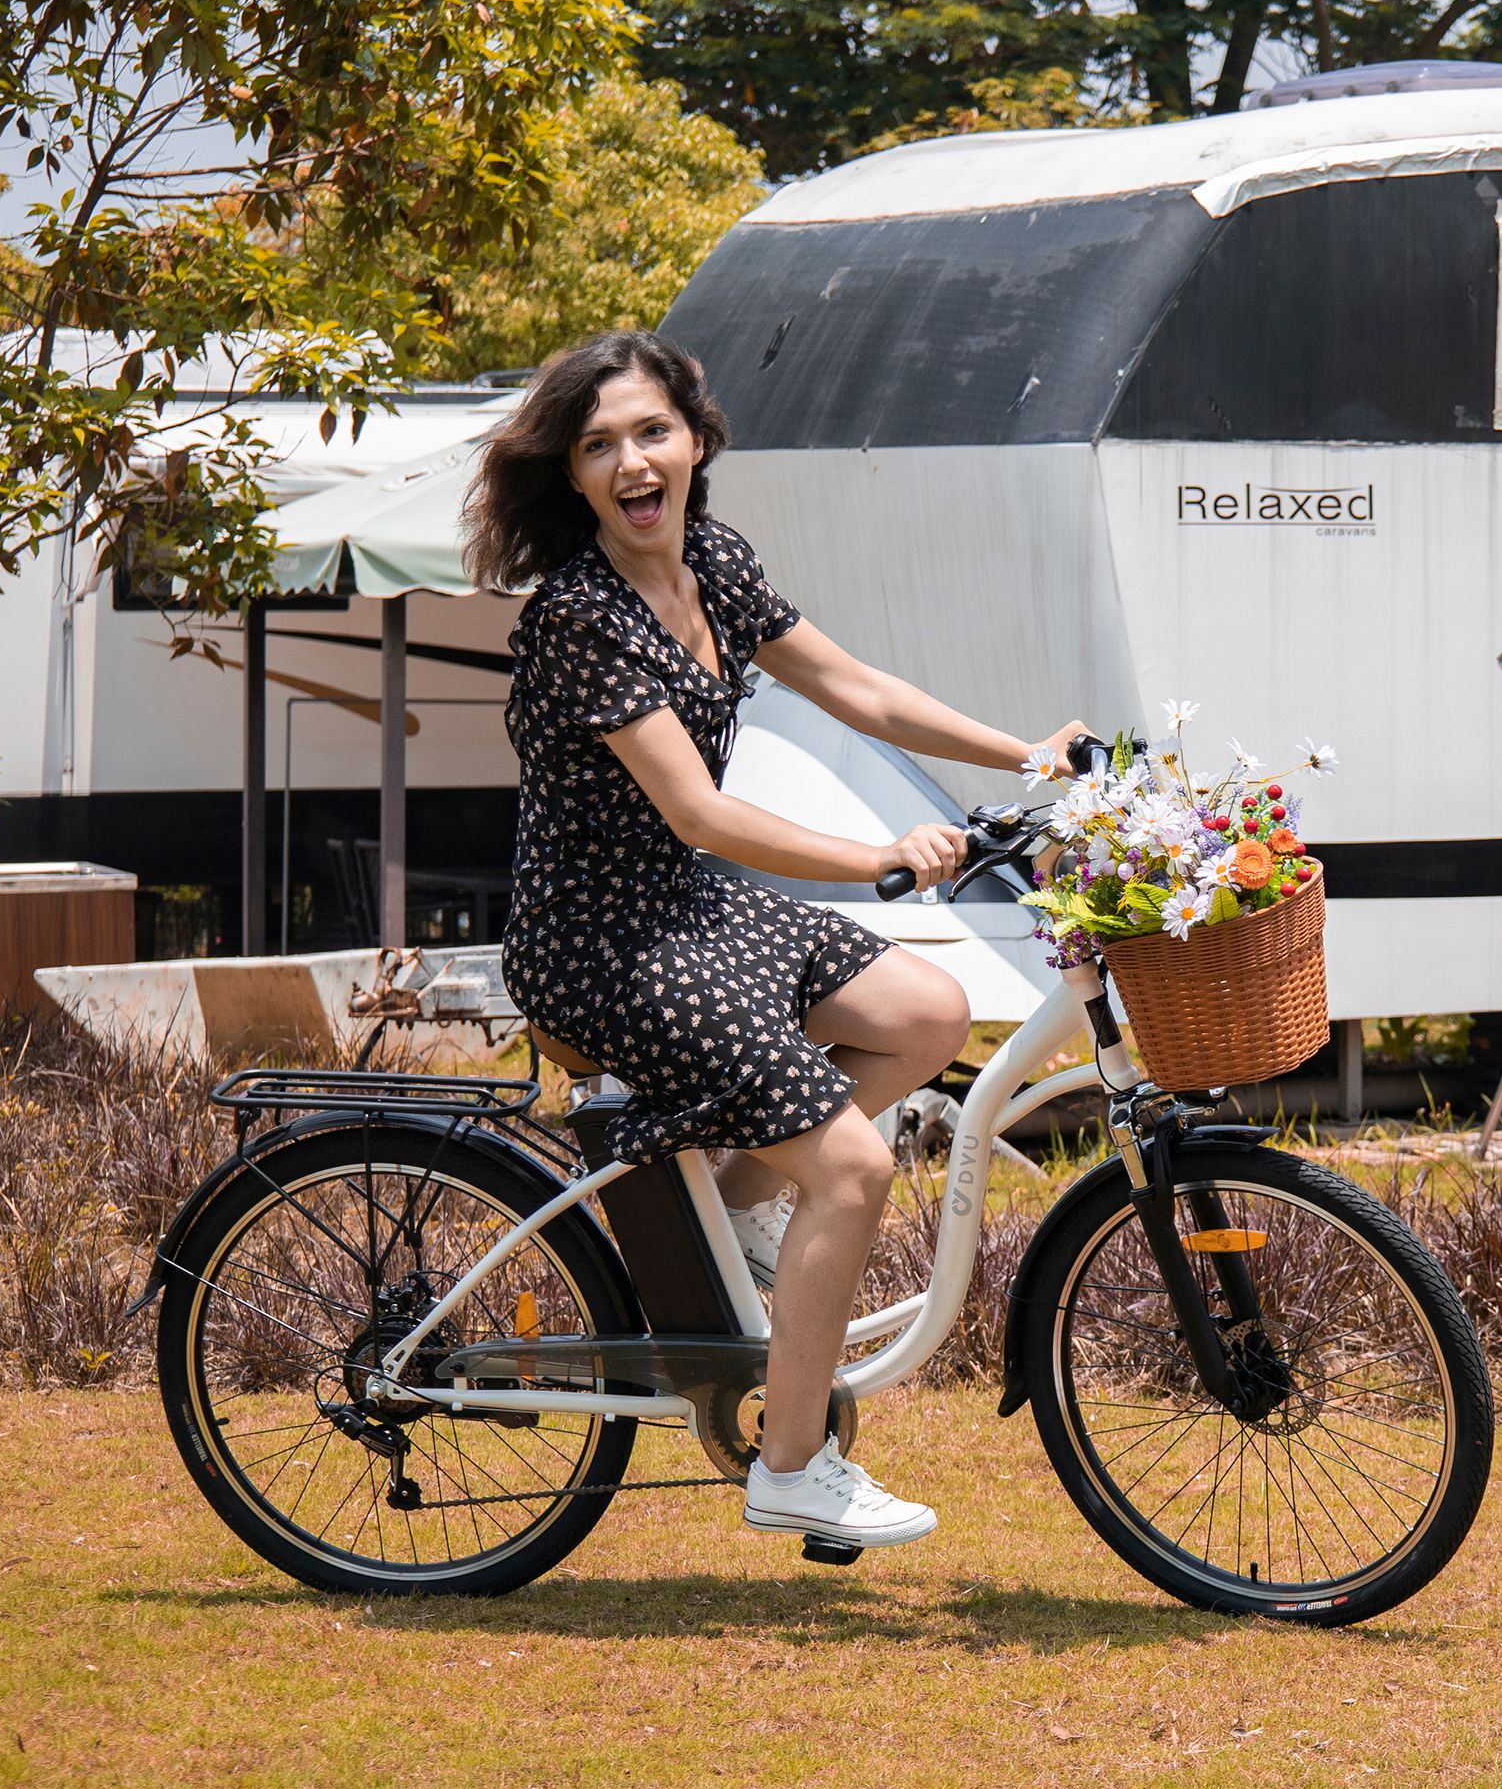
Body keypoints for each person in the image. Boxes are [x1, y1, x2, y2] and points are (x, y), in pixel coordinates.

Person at [462, 329, 1085, 1551]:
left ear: (695, 440)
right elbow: (696, 809)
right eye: (599, 447)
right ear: (574, 477)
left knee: (926, 1013)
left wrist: (1023, 752)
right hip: (597, 940)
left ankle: (727, 1219)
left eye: (651, 432)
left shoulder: (710, 558)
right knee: (853, 1170)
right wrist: (877, 856)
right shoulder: (580, 618)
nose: (633, 462)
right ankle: (792, 1467)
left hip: (684, 906)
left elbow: (854, 686)